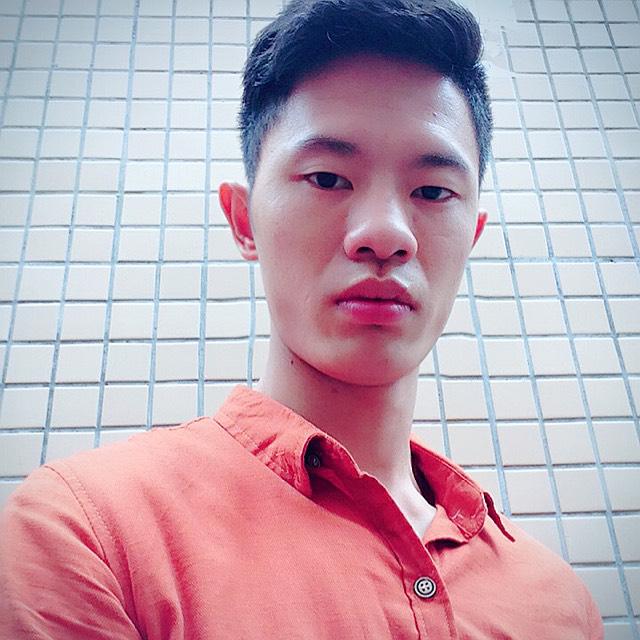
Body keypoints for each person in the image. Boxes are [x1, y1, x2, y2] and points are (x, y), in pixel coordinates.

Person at [0, 1, 603, 638]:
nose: (385, 234)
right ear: (244, 221)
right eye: (327, 178)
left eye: (432, 191)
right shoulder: (89, 532)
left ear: (471, 235)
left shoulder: (559, 603)